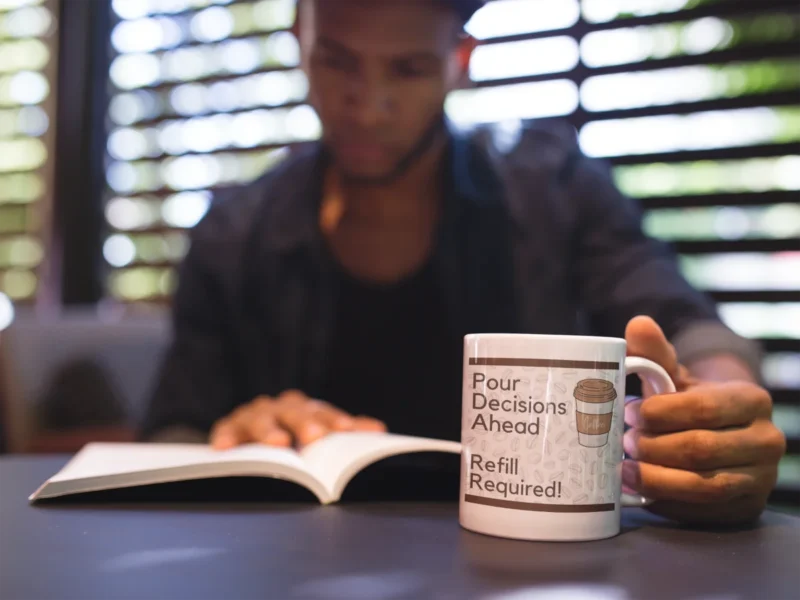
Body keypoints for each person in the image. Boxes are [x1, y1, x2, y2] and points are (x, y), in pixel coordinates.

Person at [142, 0, 786, 525]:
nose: (369, 106)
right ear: (299, 41)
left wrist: (715, 407)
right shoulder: (233, 232)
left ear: (460, 62)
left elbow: (683, 321)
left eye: (409, 69)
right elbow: (172, 426)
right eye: (337, 63)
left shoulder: (552, 190)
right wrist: (229, 441)